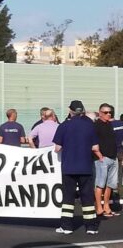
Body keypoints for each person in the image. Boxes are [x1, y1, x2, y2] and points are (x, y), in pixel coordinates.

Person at [53, 100, 100, 235]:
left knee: (68, 197)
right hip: (86, 166)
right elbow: (95, 147)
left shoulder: (64, 126)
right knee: (87, 197)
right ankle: (91, 227)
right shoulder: (90, 125)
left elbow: (57, 148)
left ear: (70, 110)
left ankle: (66, 226)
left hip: (69, 167)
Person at [93, 103, 119, 217]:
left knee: (110, 184)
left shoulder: (110, 125)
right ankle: (99, 208)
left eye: (110, 112)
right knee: (100, 184)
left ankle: (106, 207)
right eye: (105, 112)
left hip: (113, 158)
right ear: (100, 113)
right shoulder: (96, 125)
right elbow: (92, 142)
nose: (108, 114)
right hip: (102, 159)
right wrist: (99, 156)